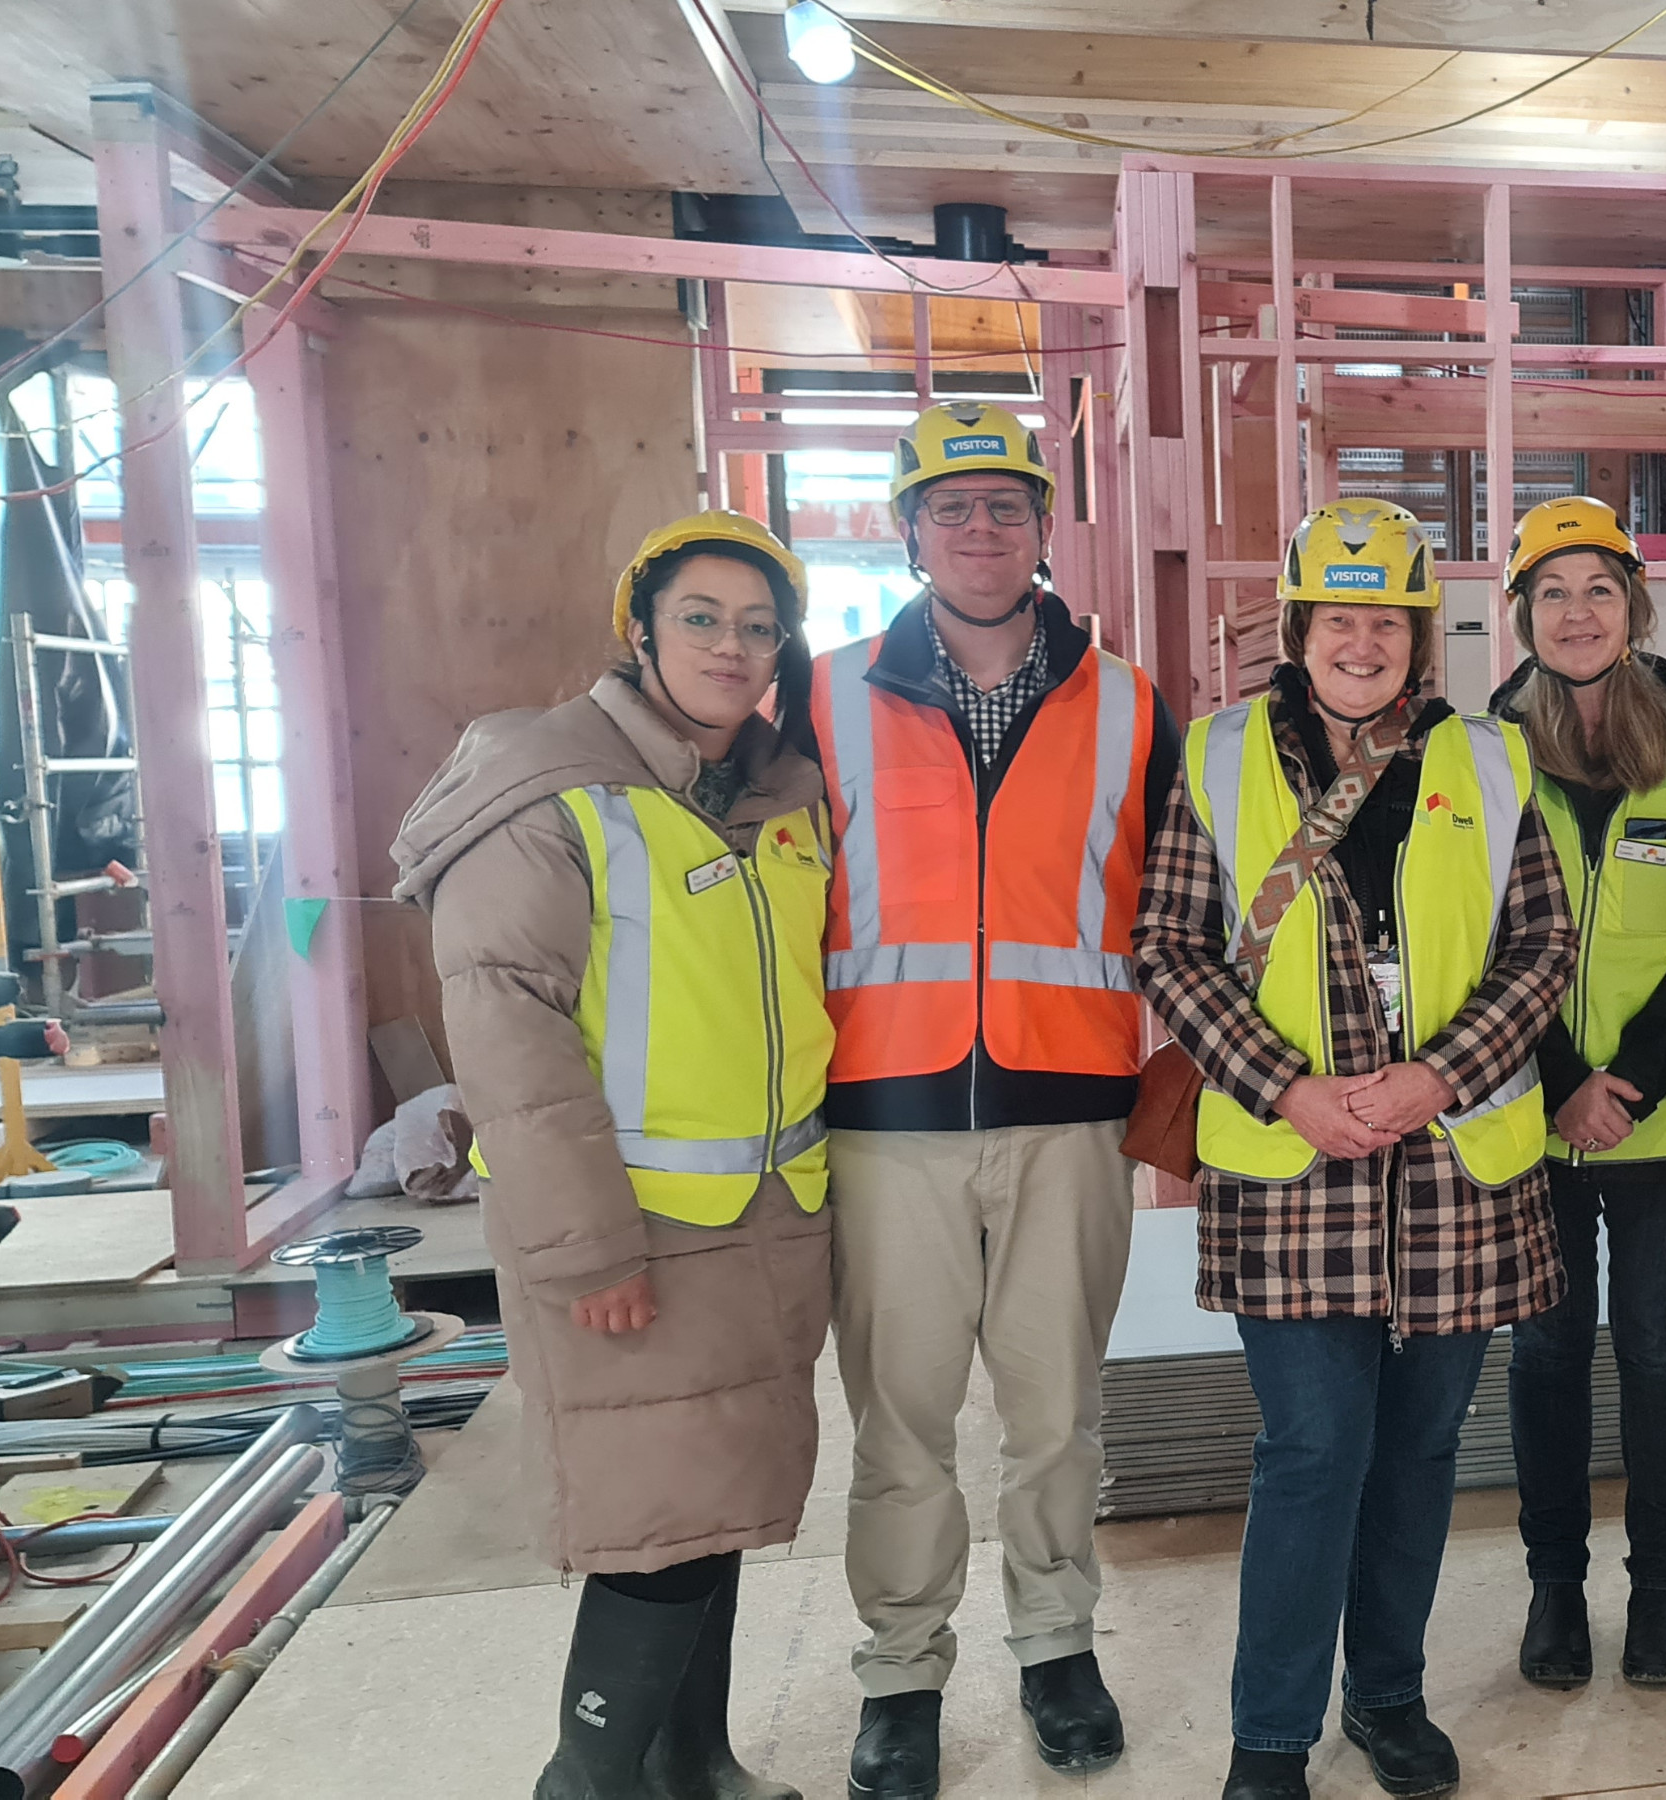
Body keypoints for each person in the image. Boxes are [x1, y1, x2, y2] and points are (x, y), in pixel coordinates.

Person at [1131, 497, 1576, 1800]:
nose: (1363, 642)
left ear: (1421, 637)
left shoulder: (1489, 761)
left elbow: (1542, 945)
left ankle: (1386, 1696)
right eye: (1339, 618)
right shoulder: (1219, 756)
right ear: (1298, 629)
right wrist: (1285, 1089)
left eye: (1388, 621)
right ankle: (1270, 1740)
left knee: (1422, 1453)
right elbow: (1170, 944)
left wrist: (1442, 1073)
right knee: (1314, 1450)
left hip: (1453, 1166)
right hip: (1293, 1165)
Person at [392, 510, 835, 1800]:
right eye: (700, 617)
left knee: (712, 1512)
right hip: (630, 1234)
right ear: (639, 631)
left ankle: (697, 1766)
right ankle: (588, 1778)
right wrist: (586, 1246)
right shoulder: (550, 790)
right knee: (654, 1527)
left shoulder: (773, 796)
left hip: (759, 1220)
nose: (730, 645)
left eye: (757, 626)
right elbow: (508, 1033)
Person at [814, 402, 1181, 1797]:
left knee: (1055, 1411)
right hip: (883, 1120)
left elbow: (1182, 910)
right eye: (951, 507)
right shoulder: (822, 696)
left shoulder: (1131, 704)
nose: (980, 529)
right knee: (900, 1421)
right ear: (908, 531)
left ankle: (1055, 1646)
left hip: (1069, 1114)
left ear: (1042, 530)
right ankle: (901, 1673)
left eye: (1006, 506)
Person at [1483, 496, 1666, 1692]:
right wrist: (1559, 1084)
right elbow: (1472, 940)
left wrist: (1622, 1083)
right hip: (1528, 1119)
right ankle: (1553, 1590)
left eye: (1597, 590)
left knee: (1657, 1352)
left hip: (1663, 1117)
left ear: (1634, 608)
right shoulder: (1477, 757)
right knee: (1542, 1355)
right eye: (1551, 592)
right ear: (1521, 615)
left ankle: (1660, 1595)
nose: (1575, 614)